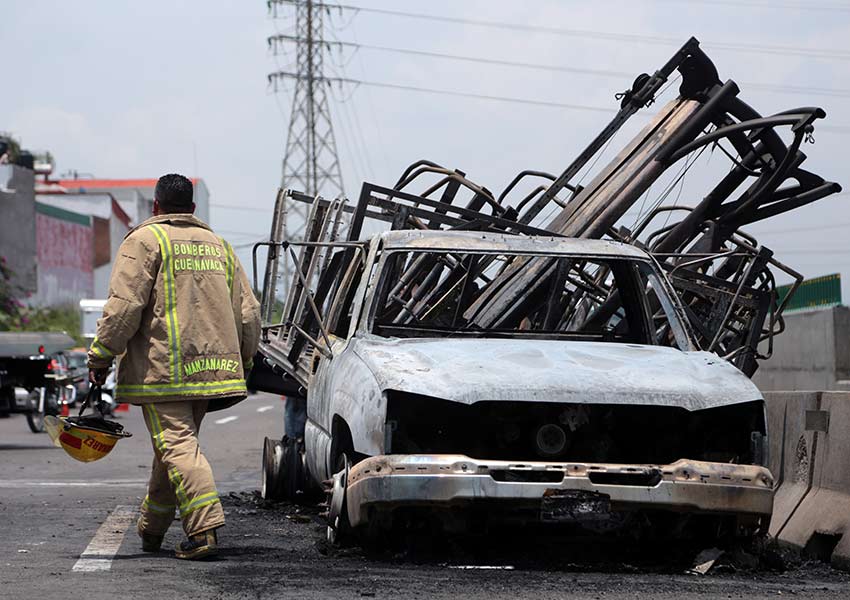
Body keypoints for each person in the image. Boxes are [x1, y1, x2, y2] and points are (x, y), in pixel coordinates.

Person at [87, 173, 260, 560]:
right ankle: (152, 530)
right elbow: (248, 312)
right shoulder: (220, 246)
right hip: (211, 371)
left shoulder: (146, 240)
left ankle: (204, 530)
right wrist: (246, 358)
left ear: (156, 206)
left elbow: (124, 306)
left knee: (177, 446)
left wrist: (101, 354)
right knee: (172, 449)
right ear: (192, 208)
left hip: (164, 372)